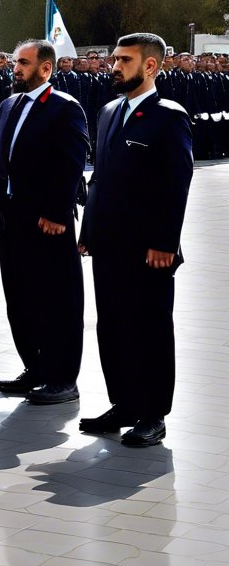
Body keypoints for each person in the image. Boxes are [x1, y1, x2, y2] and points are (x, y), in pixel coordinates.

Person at [78, 32, 193, 447]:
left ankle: (152, 414)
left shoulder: (169, 115)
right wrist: (88, 230)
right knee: (112, 327)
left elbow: (176, 184)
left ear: (150, 66)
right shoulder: (109, 111)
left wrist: (165, 242)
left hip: (149, 251)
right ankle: (123, 404)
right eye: (114, 59)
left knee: (150, 329)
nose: (114, 66)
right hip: (108, 245)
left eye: (124, 60)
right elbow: (102, 178)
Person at [0, 39, 89, 404]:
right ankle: (37, 366)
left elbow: (71, 162)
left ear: (46, 69)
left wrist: (57, 213)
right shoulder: (8, 105)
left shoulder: (64, 108)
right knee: (20, 295)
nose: (16, 68)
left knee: (57, 299)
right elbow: (2, 164)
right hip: (10, 217)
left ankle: (63, 377)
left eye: (24, 63)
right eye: (16, 62)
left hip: (47, 220)